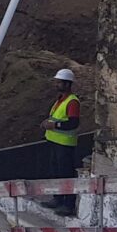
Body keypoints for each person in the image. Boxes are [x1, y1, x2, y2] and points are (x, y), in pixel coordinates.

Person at [42, 68, 80, 214]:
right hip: (54, 142)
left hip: (65, 144)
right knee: (55, 172)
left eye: (59, 82)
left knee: (66, 174)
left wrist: (54, 125)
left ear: (67, 84)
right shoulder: (60, 100)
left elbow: (73, 123)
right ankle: (57, 198)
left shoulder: (72, 102)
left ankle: (68, 204)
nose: (56, 84)